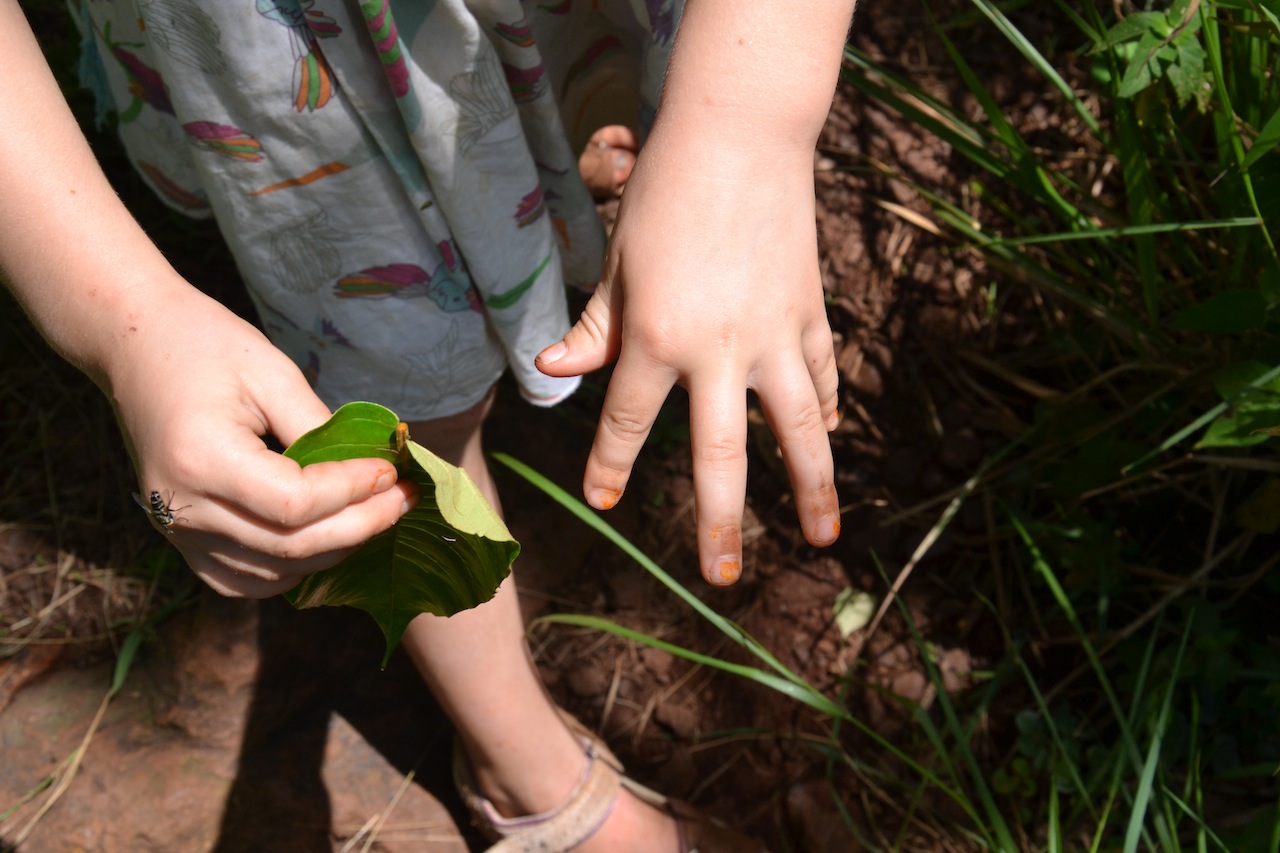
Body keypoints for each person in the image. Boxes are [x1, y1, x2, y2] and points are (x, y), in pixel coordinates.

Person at [1, 0, 853, 849]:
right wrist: (122, 316)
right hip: (308, 67)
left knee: (606, 82)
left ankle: (568, 153)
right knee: (405, 433)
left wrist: (743, 128)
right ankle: (524, 776)